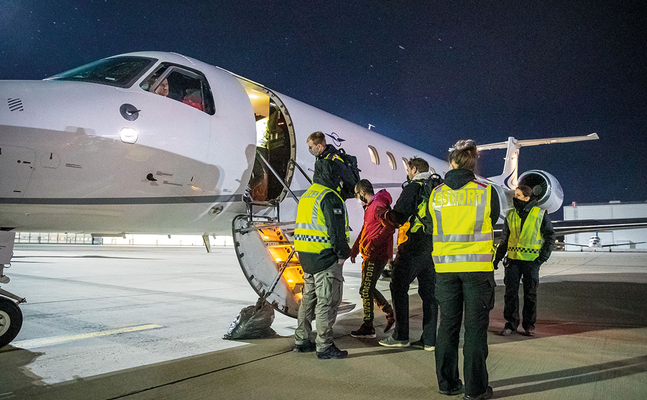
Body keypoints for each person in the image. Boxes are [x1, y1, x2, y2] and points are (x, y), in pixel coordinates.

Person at [430, 140, 499, 400]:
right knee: (474, 330)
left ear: (451, 162)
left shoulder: (435, 194)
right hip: (477, 271)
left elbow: (429, 226)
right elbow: (493, 219)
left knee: (447, 327)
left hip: (445, 271)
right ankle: (475, 390)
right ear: (473, 162)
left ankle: (447, 383)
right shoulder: (486, 191)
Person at [293, 160, 351, 359]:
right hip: (325, 257)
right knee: (327, 302)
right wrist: (343, 254)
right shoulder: (330, 197)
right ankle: (324, 345)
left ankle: (301, 339)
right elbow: (336, 232)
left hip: (306, 257)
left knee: (308, 301)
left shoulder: (307, 195)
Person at [378, 157, 438, 351]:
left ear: (413, 169)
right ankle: (429, 339)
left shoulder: (414, 187)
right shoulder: (438, 188)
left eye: (408, 169)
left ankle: (401, 335)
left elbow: (399, 215)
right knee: (429, 293)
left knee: (398, 286)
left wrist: (384, 215)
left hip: (414, 243)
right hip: (434, 245)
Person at [495, 184, 555, 337]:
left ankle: (529, 325)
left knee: (530, 294)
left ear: (527, 198)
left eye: (518, 195)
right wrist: (497, 259)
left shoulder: (540, 214)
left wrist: (542, 258)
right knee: (510, 295)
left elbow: (550, 236)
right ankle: (511, 325)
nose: (515, 198)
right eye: (515, 195)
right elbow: (505, 240)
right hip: (513, 261)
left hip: (531, 261)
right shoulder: (510, 215)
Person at [349, 179, 396, 338]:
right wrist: (355, 249)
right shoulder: (370, 207)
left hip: (376, 256)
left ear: (362, 192)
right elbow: (365, 229)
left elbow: (389, 227)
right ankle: (387, 314)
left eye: (356, 194)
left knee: (366, 289)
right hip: (370, 255)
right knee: (367, 288)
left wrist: (373, 244)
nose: (357, 198)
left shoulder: (377, 206)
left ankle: (369, 325)